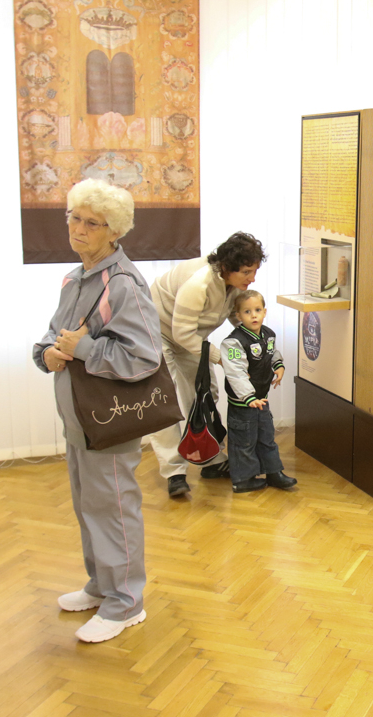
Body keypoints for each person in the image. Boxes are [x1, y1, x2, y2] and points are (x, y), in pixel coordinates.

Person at [32, 178, 160, 642]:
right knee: (89, 506)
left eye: (92, 223)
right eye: (75, 218)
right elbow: (54, 334)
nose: (79, 229)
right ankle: (102, 586)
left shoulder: (123, 284)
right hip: (79, 419)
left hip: (111, 422)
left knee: (114, 511)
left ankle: (126, 603)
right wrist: (46, 353)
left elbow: (144, 357)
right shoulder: (76, 278)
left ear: (115, 231)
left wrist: (83, 349)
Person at [147, 233, 266, 498]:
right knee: (164, 402)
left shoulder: (235, 284)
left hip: (189, 336)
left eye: (254, 271)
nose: (252, 278)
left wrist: (257, 346)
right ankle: (174, 472)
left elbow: (238, 317)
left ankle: (211, 461)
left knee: (205, 395)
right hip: (156, 334)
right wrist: (225, 360)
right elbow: (181, 334)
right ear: (226, 266)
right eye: (247, 272)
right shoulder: (199, 283)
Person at [219, 291, 296, 493]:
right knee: (244, 441)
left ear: (264, 312)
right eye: (247, 312)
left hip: (262, 399)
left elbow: (272, 353)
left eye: (257, 310)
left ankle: (273, 472)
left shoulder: (268, 334)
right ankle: (242, 479)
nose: (253, 315)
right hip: (243, 404)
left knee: (266, 437)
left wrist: (279, 366)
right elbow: (235, 372)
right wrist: (248, 397)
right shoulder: (234, 342)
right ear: (238, 315)